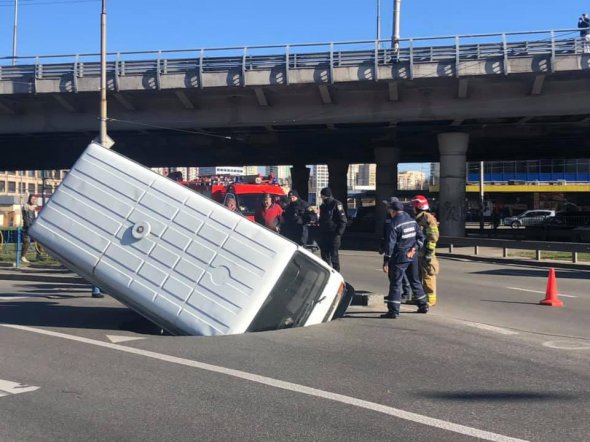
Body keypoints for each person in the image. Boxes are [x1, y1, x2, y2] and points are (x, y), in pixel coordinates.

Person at [381, 200, 428, 318]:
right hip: (412, 255)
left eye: (389, 210)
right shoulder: (412, 221)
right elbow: (421, 237)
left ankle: (393, 311)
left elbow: (390, 245)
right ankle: (423, 305)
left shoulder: (394, 224)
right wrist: (414, 249)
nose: (389, 212)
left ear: (393, 211)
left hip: (400, 257)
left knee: (396, 283)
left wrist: (386, 261)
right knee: (415, 281)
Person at [379, 196, 412, 302]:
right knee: (392, 273)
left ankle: (406, 293)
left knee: (399, 272)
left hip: (400, 248)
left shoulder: (403, 216)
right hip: (390, 247)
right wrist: (382, 245)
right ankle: (393, 293)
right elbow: (386, 233)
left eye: (388, 205)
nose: (386, 207)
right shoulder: (388, 216)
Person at [411, 195, 440, 307]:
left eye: (413, 206)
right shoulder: (417, 218)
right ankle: (418, 298)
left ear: (417, 206)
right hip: (418, 252)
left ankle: (430, 299)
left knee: (428, 276)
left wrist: (428, 253)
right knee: (416, 276)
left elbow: (433, 237)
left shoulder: (428, 218)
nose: (412, 209)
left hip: (426, 253)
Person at [318, 187, 347, 271]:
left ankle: (336, 272)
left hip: (334, 234)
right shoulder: (323, 206)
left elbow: (343, 220)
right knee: (324, 254)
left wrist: (338, 233)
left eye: (322, 196)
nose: (321, 197)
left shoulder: (336, 204)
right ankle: (327, 271)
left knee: (334, 255)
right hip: (324, 233)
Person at [21, 194, 40, 264]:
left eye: (34, 199)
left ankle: (38, 255)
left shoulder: (34, 209)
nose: (33, 200)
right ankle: (23, 256)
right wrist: (35, 206)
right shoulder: (25, 205)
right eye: (32, 199)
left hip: (33, 226)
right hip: (27, 226)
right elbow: (30, 208)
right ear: (29, 199)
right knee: (27, 241)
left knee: (39, 241)